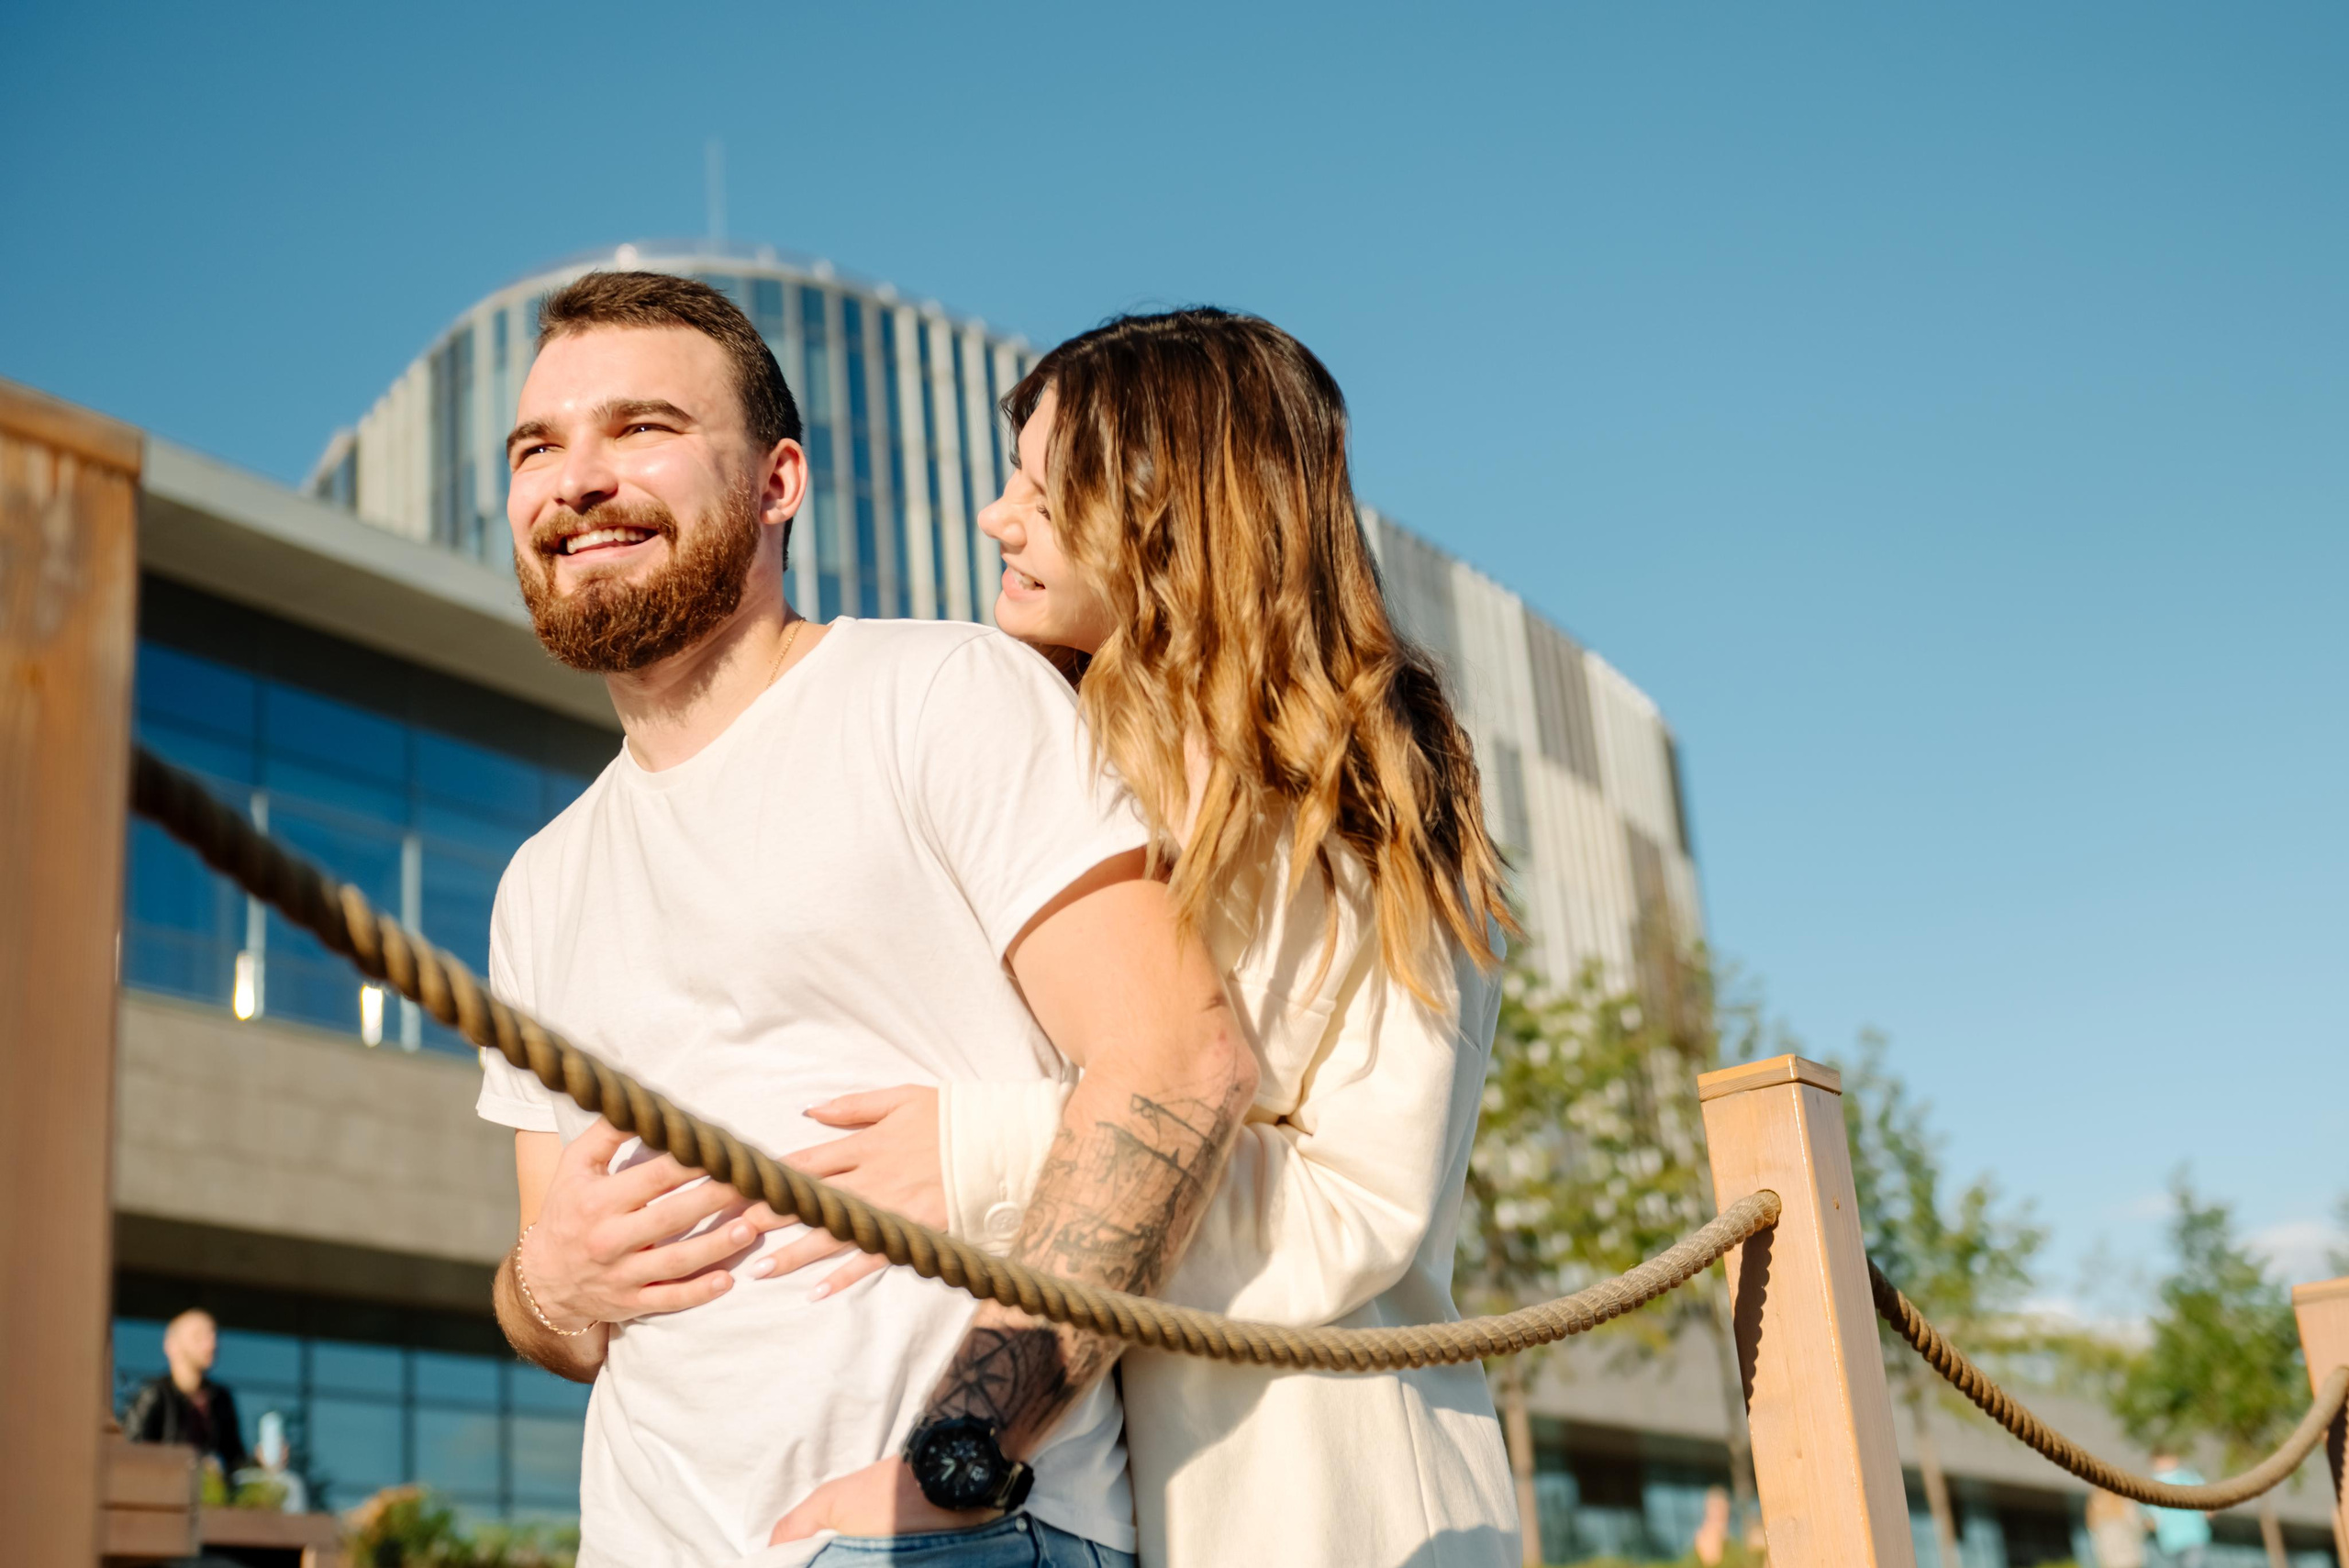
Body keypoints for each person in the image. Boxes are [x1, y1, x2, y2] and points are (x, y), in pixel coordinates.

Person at [473, 272, 1256, 1568]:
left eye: (642, 428)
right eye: (535, 448)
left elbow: (1178, 1064)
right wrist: (541, 1288)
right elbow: (555, 1298)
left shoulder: (945, 692)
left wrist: (961, 1456)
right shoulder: (538, 884)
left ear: (777, 482)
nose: (579, 479)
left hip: (952, 1535)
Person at [765, 309, 1523, 1567]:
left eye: (1044, 493)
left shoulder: (1357, 807)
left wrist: (981, 1150)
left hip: (1329, 1511)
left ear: (1176, 518)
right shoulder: (1069, 763)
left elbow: (1356, 1204)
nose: (998, 520)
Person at [124, 1308, 248, 1483]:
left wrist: (259, 1464)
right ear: (171, 1346)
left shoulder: (221, 1398)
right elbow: (130, 1456)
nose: (212, 1344)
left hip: (210, 1494)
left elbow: (235, 1462)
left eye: (214, 1336)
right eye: (199, 1337)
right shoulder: (153, 1395)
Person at [2145, 1452, 2210, 1568]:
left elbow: (2151, 1520)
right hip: (2192, 1538)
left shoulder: (2151, 1485)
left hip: (2171, 1542)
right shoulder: (2191, 1478)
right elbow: (2209, 1509)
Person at [2085, 1486, 2147, 1568]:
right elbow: (2138, 1528)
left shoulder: (2098, 1500)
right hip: (2125, 1558)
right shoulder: (2125, 1502)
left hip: (2117, 1559)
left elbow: (2092, 1529)